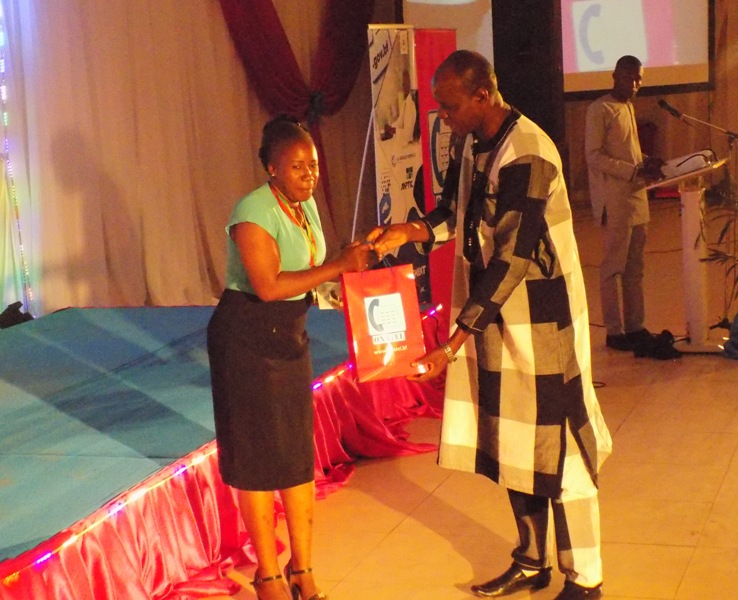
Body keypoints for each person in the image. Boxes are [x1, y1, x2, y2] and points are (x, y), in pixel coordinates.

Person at [368, 50, 612, 600]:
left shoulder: (528, 153)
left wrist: (453, 343)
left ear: (483, 95)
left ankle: (585, 577)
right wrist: (406, 232)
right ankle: (531, 560)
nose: (444, 118)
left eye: (451, 107)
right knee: (512, 442)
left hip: (544, 321)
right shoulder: (471, 141)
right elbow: (452, 213)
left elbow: (512, 259)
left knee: (561, 449)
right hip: (497, 319)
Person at [207, 115, 372, 600]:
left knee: (297, 457)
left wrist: (351, 259)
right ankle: (268, 575)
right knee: (258, 459)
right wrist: (336, 267)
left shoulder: (304, 205)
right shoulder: (252, 212)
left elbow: (311, 268)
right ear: (272, 168)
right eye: (297, 166)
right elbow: (268, 285)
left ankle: (302, 568)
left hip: (289, 336)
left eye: (313, 165)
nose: (309, 175)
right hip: (246, 339)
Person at [585, 55, 664, 352]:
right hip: (615, 199)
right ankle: (614, 331)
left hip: (637, 197)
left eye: (639, 79)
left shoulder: (628, 107)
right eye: (630, 77)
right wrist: (632, 170)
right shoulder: (599, 109)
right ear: (615, 76)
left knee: (635, 269)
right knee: (613, 268)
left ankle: (635, 326)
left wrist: (647, 161)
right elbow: (594, 156)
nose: (635, 84)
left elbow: (629, 152)